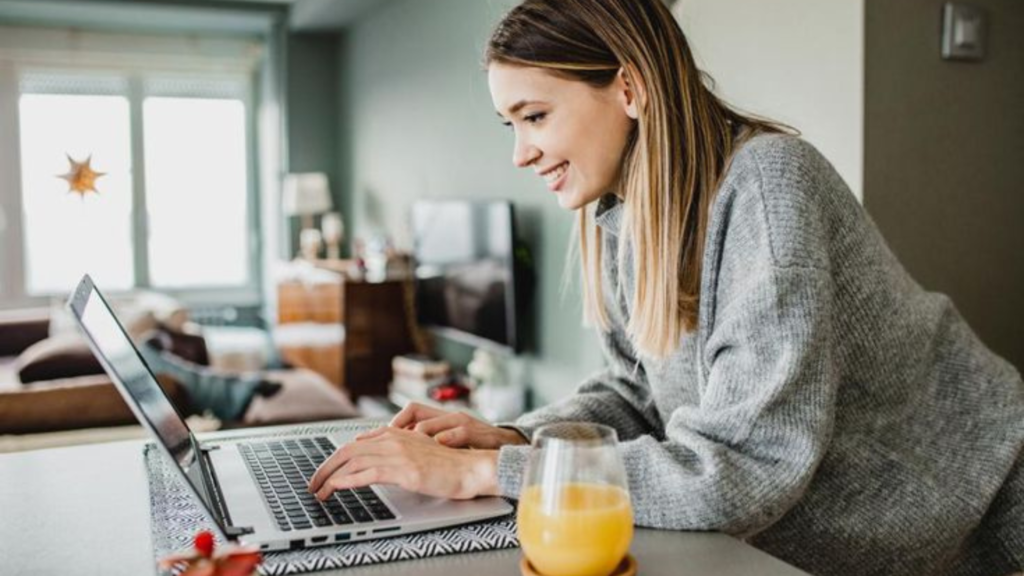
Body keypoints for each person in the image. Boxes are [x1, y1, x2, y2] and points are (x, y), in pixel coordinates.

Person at [308, 0, 1024, 574]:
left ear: (628, 86)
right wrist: (514, 435)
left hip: (980, 509)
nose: (520, 152)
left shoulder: (768, 186)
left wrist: (484, 472)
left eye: (535, 116)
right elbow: (635, 394)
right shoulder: (625, 216)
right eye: (510, 123)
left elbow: (746, 469)